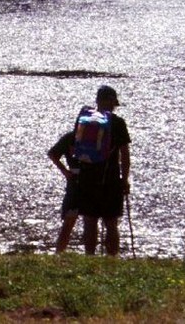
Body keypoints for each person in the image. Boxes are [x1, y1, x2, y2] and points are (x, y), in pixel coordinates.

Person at [76, 85, 131, 256]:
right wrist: (125, 179)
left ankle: (89, 256)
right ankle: (112, 257)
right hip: (110, 178)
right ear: (112, 102)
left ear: (97, 101)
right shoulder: (118, 123)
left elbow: (75, 147)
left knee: (89, 221)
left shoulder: (84, 119)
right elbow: (125, 154)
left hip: (87, 177)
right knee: (111, 222)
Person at [47, 130, 80, 253]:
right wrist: (65, 172)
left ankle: (59, 251)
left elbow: (52, 154)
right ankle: (91, 253)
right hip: (89, 181)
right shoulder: (98, 135)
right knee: (90, 220)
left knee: (70, 220)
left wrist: (65, 171)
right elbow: (52, 154)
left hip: (74, 179)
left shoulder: (70, 137)